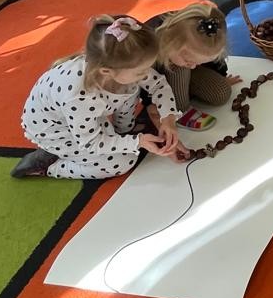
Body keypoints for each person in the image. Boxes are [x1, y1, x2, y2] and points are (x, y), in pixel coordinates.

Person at [15, 15, 184, 179]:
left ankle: (124, 129)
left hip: (83, 118)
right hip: (57, 130)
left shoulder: (116, 68)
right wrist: (136, 142)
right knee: (123, 162)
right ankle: (49, 167)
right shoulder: (80, 98)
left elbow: (158, 85)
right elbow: (91, 143)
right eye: (141, 71)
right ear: (106, 71)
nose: (147, 74)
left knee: (131, 88)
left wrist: (168, 119)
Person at [148, 1, 239, 108]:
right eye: (188, 61)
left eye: (199, 62)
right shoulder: (149, 44)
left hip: (187, 75)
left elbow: (216, 63)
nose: (193, 66)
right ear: (170, 41)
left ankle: (185, 89)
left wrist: (221, 76)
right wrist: (150, 103)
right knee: (179, 71)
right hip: (155, 80)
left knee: (222, 93)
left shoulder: (206, 40)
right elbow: (142, 79)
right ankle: (181, 105)